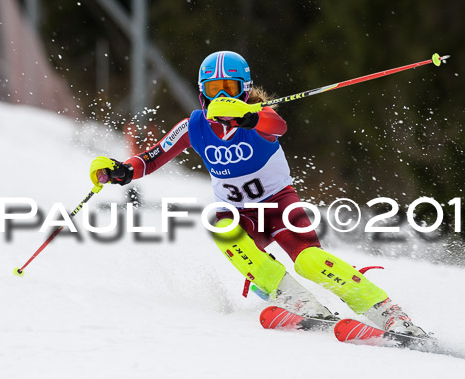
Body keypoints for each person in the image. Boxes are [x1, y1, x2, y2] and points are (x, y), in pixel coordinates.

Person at [90, 50, 426, 337]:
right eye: (214, 90)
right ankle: (294, 298)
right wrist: (120, 170)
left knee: (309, 260)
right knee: (222, 227)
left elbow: (277, 127)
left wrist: (249, 117)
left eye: (230, 90)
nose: (222, 98)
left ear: (245, 90)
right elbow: (152, 158)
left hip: (279, 206)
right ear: (202, 94)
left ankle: (387, 311)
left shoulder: (260, 118)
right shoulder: (195, 125)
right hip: (238, 214)